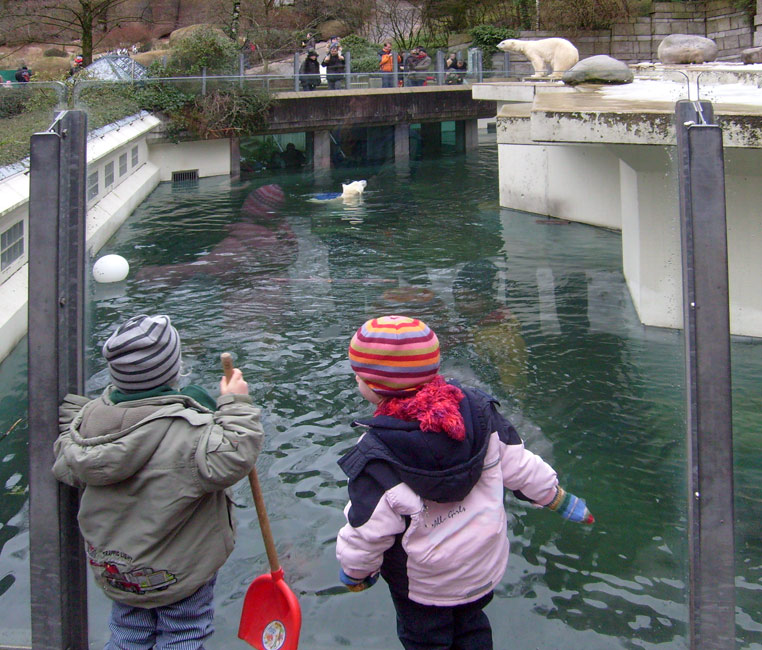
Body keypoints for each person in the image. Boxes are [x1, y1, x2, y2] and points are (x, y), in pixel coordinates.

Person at [336, 315, 594, 650]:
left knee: (425, 639)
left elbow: (367, 529)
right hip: (480, 567)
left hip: (422, 586)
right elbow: (520, 465)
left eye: (360, 374)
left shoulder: (376, 455)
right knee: (472, 630)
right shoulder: (477, 413)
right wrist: (556, 498)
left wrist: (356, 574)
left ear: (372, 387)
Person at [54, 314, 264, 650]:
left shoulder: (86, 430)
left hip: (120, 571)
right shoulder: (190, 432)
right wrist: (235, 403)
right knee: (182, 633)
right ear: (175, 370)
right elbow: (235, 455)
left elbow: (67, 463)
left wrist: (81, 415)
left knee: (128, 635)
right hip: (179, 572)